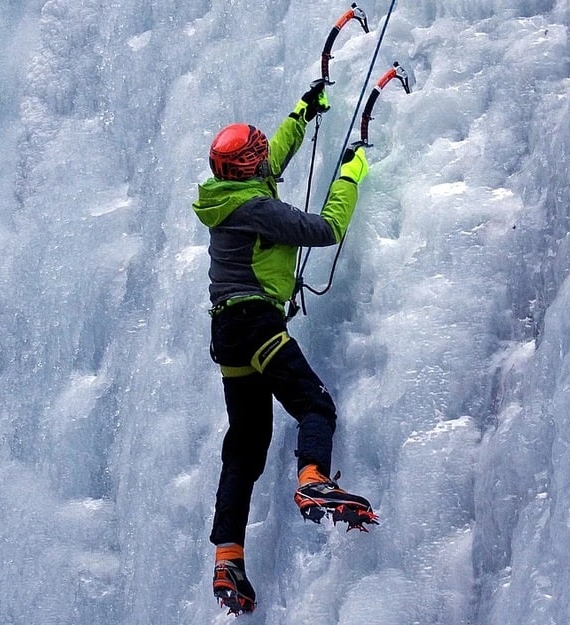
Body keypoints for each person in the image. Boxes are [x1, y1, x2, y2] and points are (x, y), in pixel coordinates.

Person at [192, 82, 374, 615]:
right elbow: (327, 227)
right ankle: (313, 480)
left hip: (228, 336)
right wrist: (351, 171)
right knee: (314, 404)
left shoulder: (227, 196)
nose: (262, 156)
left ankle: (228, 556)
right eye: (254, 153)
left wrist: (304, 109)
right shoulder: (256, 207)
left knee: (246, 446)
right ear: (243, 167)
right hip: (255, 322)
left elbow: (275, 155)